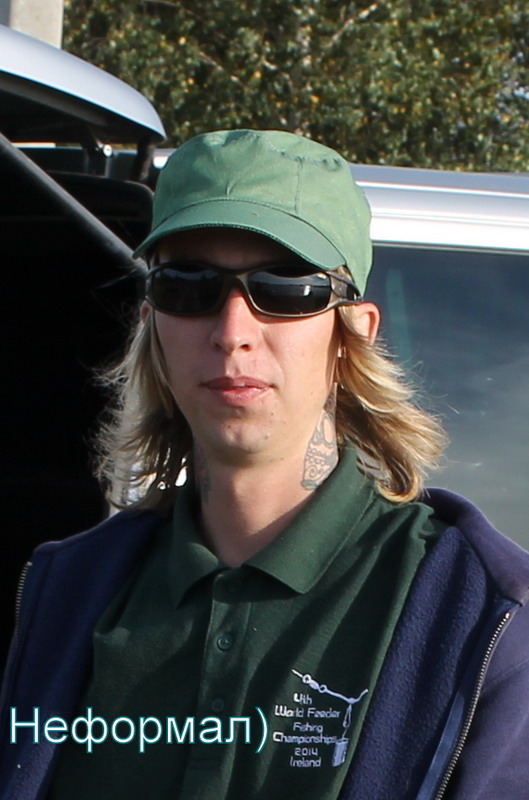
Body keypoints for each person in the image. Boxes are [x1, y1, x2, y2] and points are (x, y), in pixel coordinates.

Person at [1, 129, 528, 800]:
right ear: (151, 322)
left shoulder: (481, 613)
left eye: (285, 288)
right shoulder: (67, 591)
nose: (232, 332)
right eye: (188, 286)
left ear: (354, 331)